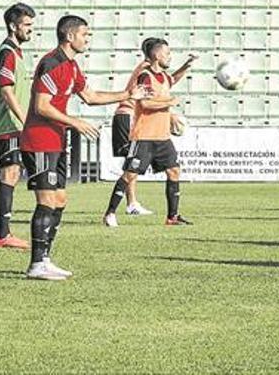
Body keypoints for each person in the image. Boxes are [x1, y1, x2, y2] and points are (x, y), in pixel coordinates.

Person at [20, 15, 147, 281]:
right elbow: (41, 106)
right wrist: (74, 121)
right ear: (69, 36)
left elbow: (90, 97)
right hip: (40, 140)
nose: (87, 39)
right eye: (84, 34)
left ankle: (45, 259)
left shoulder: (72, 67)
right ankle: (36, 264)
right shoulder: (51, 63)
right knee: (46, 201)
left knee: (60, 200)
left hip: (56, 140)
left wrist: (127, 95)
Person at [104, 38, 194, 227]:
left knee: (174, 171)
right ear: (156, 55)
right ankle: (110, 213)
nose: (170, 57)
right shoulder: (145, 76)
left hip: (162, 137)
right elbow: (144, 103)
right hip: (144, 136)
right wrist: (169, 103)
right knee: (129, 175)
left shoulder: (163, 77)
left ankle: (172, 217)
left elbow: (172, 80)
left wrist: (186, 66)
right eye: (167, 53)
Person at [0, 3, 36, 250]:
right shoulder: (7, 53)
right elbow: (6, 90)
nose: (30, 30)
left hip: (15, 123)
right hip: (11, 123)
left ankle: (3, 232)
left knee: (13, 173)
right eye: (27, 25)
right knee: (9, 173)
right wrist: (25, 120)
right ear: (13, 25)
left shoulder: (15, 53)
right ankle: (2, 234)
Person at [110, 59, 153, 218]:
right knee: (133, 162)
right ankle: (128, 204)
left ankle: (132, 203)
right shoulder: (146, 72)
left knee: (132, 162)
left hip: (126, 117)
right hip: (127, 117)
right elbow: (146, 101)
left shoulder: (144, 70)